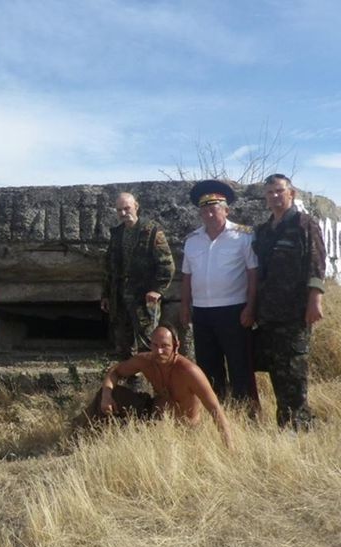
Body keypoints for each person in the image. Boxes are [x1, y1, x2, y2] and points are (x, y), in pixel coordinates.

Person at [77, 325, 234, 450]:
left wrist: (230, 448)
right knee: (111, 394)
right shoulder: (145, 360)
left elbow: (216, 410)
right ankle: (78, 439)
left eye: (165, 346)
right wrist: (106, 395)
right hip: (151, 415)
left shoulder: (189, 372)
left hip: (179, 432)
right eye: (155, 345)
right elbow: (115, 371)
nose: (159, 351)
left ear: (176, 346)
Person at [253, 174, 326, 430]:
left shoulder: (305, 224)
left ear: (291, 193)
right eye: (270, 192)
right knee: (276, 370)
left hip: (295, 312)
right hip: (268, 313)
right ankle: (287, 422)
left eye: (279, 191)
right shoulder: (263, 231)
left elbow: (316, 263)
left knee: (294, 370)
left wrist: (315, 299)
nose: (275, 196)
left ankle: (301, 424)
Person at [180, 180, 258, 411]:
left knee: (240, 365)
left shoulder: (243, 236)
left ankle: (248, 415)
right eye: (204, 209)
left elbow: (253, 274)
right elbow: (186, 276)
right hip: (203, 312)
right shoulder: (192, 240)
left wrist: (251, 308)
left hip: (234, 310)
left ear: (226, 209)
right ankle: (217, 412)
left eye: (214, 208)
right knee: (208, 366)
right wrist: (185, 306)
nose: (209, 213)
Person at [101, 192, 174, 357]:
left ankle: (152, 380)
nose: (123, 213)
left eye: (127, 208)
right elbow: (109, 266)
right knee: (123, 345)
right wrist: (106, 294)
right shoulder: (117, 234)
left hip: (143, 298)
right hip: (119, 297)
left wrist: (158, 290)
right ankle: (128, 380)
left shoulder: (151, 231)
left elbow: (166, 264)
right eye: (119, 210)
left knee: (148, 344)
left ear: (136, 207)